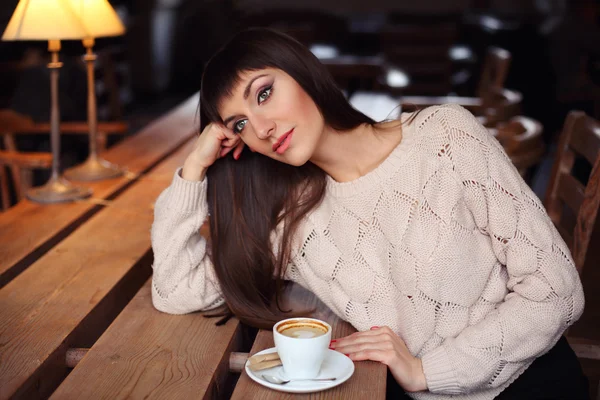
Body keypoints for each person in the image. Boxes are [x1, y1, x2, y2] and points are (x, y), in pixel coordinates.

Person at [150, 28, 588, 399]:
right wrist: (194, 169)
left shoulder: (445, 137)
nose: (262, 128)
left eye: (264, 93)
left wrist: (426, 371)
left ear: (302, 72)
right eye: (240, 124)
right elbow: (175, 290)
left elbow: (557, 292)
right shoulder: (290, 223)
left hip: (532, 384)